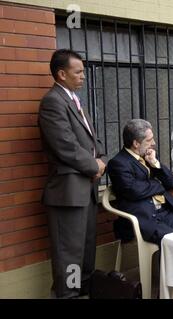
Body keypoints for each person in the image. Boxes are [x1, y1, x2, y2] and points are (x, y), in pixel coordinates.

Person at [38, 49, 107, 298]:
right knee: (70, 257)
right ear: (61, 73)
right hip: (67, 194)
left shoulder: (74, 100)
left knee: (86, 253)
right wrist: (94, 166)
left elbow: (91, 140)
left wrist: (100, 159)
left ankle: (83, 293)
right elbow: (65, 146)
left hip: (85, 191)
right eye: (78, 72)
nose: (83, 77)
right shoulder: (52, 102)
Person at [107, 119, 173, 245]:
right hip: (144, 219)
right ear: (136, 143)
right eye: (149, 140)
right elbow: (133, 191)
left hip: (165, 213)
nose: (153, 143)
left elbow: (171, 183)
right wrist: (157, 185)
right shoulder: (118, 163)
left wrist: (155, 163)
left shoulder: (149, 156)